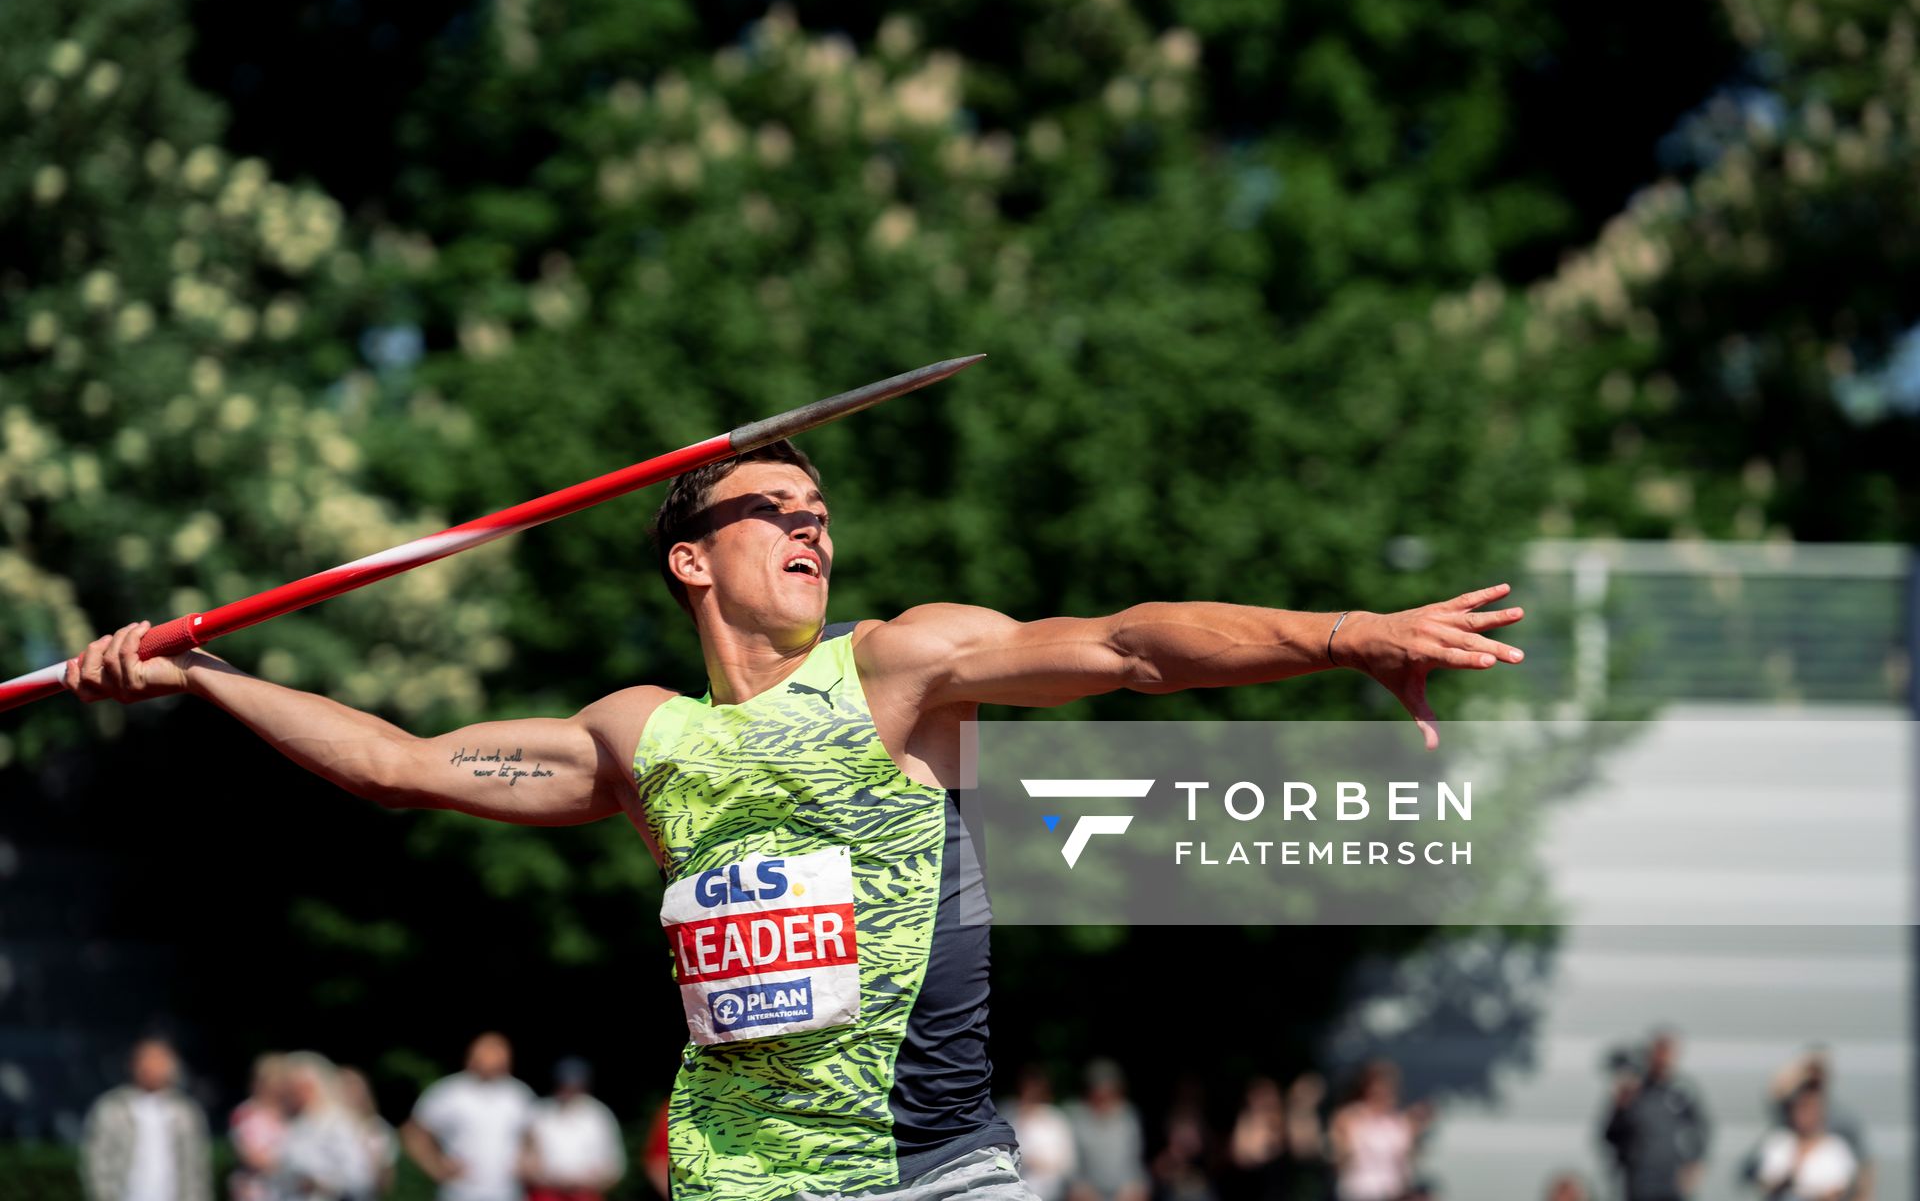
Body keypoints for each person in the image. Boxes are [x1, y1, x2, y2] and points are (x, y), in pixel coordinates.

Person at [67, 439, 1527, 1200]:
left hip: (946, 1168)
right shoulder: (642, 736)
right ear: (694, 560)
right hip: (747, 1183)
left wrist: (1337, 631)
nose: (816, 528)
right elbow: (396, 763)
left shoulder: (897, 670)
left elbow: (1134, 646)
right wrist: (201, 675)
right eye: (781, 508)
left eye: (824, 508)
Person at [401, 1033, 535, 1201]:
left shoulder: (519, 1093)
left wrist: (528, 1159)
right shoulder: (449, 1091)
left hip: (508, 1192)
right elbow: (413, 1132)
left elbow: (532, 1134)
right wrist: (436, 1167)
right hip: (461, 1192)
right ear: (472, 1057)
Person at [80, 1037, 214, 1201]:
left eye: (160, 1060)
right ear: (134, 1064)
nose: (153, 1067)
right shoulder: (112, 1108)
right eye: (147, 1059)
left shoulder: (186, 1111)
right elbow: (96, 1161)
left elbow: (197, 1167)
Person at [1602, 1031, 1710, 1201]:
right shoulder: (1633, 1092)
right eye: (1658, 1052)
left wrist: (1695, 1162)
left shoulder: (1682, 1092)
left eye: (1667, 1053)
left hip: (1672, 1179)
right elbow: (1610, 1135)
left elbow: (1701, 1130)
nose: (1663, 1059)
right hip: (1639, 1179)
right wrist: (1621, 1107)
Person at [266, 1052, 376, 1201]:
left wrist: (318, 1182)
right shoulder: (292, 1123)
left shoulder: (338, 1124)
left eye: (296, 1088)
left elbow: (360, 1180)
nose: (290, 1094)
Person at [521, 1058, 625, 1201]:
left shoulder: (599, 1116)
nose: (568, 1090)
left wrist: (587, 1181)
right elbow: (523, 1160)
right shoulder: (539, 1113)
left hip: (586, 1194)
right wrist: (547, 1177)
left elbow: (615, 1167)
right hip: (545, 1193)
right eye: (563, 1085)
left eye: (574, 1085)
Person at [1329, 1060, 1430, 1201]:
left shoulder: (1399, 1122)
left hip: (1393, 1192)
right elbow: (1340, 1157)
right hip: (1359, 1191)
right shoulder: (1350, 1117)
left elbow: (1406, 1162)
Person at [1749, 1084, 1856, 1201]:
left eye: (1811, 1108)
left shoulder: (1836, 1147)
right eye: (1801, 1108)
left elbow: (1838, 1191)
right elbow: (1766, 1183)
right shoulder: (1780, 1142)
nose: (1805, 1115)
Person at [1065, 1059, 1148, 1201]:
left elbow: (1134, 1161)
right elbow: (1070, 1163)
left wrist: (1131, 1188)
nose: (1104, 1096)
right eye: (1098, 1089)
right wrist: (1081, 1187)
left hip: (1124, 1190)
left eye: (1110, 1091)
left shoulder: (1128, 1116)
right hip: (1086, 1190)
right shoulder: (1076, 1116)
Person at [1009, 1067, 1076, 1201]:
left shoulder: (1056, 1120)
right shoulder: (1013, 1120)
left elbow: (1068, 1162)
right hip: (1019, 1191)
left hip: (1055, 1191)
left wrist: (1043, 1164)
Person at [229, 1055, 289, 1201]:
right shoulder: (245, 1112)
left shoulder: (288, 1113)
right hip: (254, 1189)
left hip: (285, 1190)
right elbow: (249, 1155)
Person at [336, 1066, 399, 1200]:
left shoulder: (377, 1127)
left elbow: (385, 1182)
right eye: (344, 1086)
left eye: (354, 1086)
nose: (350, 1092)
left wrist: (376, 1161)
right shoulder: (320, 1126)